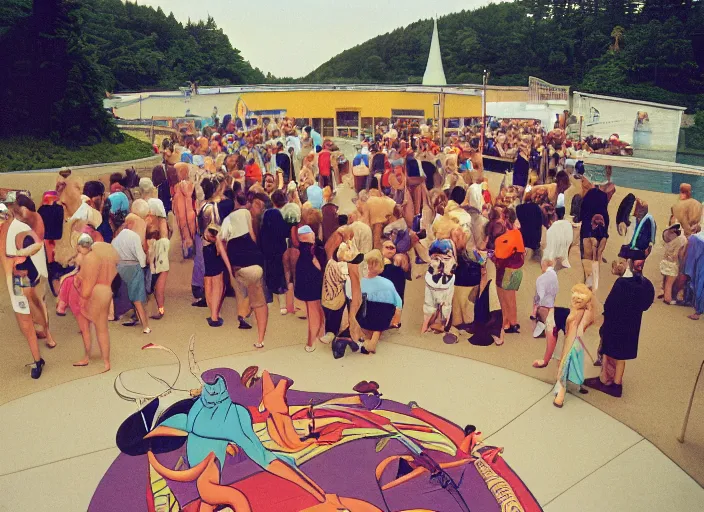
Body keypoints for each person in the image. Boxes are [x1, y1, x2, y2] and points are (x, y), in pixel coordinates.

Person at [585, 259, 654, 397]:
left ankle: (606, 380)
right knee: (622, 356)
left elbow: (610, 305)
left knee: (610, 353)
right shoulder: (646, 284)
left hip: (615, 324)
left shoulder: (621, 284)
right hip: (632, 325)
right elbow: (646, 304)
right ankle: (617, 383)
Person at [0, 201, 54, 378]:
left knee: (26, 320)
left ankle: (38, 360)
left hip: (22, 279)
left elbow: (37, 244)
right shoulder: (6, 230)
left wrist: (20, 255)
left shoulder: (17, 228)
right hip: (16, 280)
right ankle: (38, 356)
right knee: (25, 321)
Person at [220, 192, 269, 346]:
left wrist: (229, 268)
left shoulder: (226, 221)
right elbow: (252, 234)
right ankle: (260, 339)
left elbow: (221, 244)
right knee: (259, 298)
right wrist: (257, 251)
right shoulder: (245, 213)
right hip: (253, 259)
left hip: (237, 263)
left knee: (241, 291)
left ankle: (243, 315)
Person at [71, 234, 119, 372]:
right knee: (102, 328)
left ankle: (87, 357)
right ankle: (106, 362)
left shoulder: (91, 258)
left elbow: (86, 290)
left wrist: (78, 288)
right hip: (106, 291)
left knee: (86, 328)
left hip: (95, 294)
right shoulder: (104, 255)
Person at [346, 249, 402, 354]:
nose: (371, 266)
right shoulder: (387, 283)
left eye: (374, 264)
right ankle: (371, 341)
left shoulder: (359, 281)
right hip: (377, 319)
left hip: (365, 316)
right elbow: (398, 302)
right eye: (369, 263)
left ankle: (369, 340)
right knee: (381, 310)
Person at [553, 283, 597, 408]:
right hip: (576, 342)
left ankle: (561, 392)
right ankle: (572, 385)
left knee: (565, 364)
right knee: (573, 364)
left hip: (572, 342)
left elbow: (572, 327)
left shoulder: (577, 313)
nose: (575, 299)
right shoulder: (582, 312)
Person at [111, 211, 150, 334]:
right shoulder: (134, 237)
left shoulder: (115, 239)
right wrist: (143, 266)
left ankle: (133, 317)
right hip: (134, 266)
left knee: (126, 294)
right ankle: (145, 325)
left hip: (121, 267)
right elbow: (140, 255)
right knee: (137, 298)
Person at [294, 225, 326, 352]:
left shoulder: (307, 250)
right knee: (315, 308)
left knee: (312, 309)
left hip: (307, 276)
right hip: (311, 277)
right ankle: (319, 333)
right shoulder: (316, 248)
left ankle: (311, 340)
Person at [259, 190, 289, 314]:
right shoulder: (284, 214)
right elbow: (285, 232)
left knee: (268, 273)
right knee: (280, 274)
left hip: (267, 248)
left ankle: (269, 300)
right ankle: (282, 303)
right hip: (279, 248)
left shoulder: (267, 214)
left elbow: (262, 231)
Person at [531, 259, 559, 368]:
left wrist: (535, 309)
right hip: (551, 305)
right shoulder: (554, 276)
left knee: (549, 328)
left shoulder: (541, 279)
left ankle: (546, 359)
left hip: (544, 306)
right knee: (550, 327)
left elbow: (540, 295)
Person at [659, 223, 687, 304]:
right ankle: (668, 299)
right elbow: (676, 255)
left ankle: (665, 296)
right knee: (669, 283)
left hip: (665, 263)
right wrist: (679, 262)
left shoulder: (670, 241)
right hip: (672, 264)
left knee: (667, 281)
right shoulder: (680, 241)